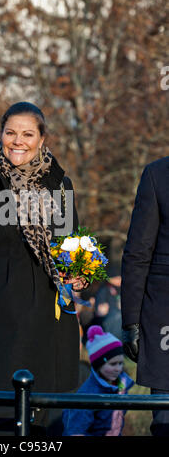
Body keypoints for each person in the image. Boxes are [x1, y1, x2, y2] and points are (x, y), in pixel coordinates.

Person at [0, 101, 88, 435]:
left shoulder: (61, 186)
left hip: (50, 326)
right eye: (10, 132)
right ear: (1, 135)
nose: (18, 140)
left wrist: (82, 277)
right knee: (6, 424)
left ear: (41, 139)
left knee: (50, 424)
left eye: (27, 133)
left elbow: (75, 245)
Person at [120, 156, 169, 436]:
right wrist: (130, 321)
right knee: (165, 425)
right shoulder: (158, 174)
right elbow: (138, 253)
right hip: (163, 317)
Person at [62, 325, 134, 436]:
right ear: (98, 365)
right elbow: (76, 431)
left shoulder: (121, 385)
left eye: (121, 363)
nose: (118, 369)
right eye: (113, 364)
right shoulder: (88, 394)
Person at [93, 266, 122, 340]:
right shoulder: (104, 290)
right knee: (118, 318)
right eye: (116, 278)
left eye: (120, 277)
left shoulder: (124, 288)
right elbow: (99, 310)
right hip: (111, 320)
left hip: (122, 318)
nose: (119, 280)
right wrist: (101, 309)